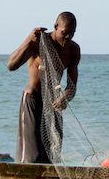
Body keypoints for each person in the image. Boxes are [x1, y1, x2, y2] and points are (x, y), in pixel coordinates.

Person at [7, 12, 81, 164]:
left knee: (52, 156)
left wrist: (65, 98)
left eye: (71, 34)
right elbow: (11, 65)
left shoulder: (74, 50)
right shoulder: (40, 41)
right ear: (55, 27)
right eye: (64, 33)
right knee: (32, 157)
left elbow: (72, 86)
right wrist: (29, 39)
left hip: (53, 105)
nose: (68, 38)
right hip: (32, 101)